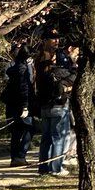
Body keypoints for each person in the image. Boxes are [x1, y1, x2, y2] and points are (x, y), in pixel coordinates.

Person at [34, 28, 75, 176]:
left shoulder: (41, 57)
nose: (56, 41)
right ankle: (56, 168)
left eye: (57, 38)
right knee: (58, 137)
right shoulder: (47, 57)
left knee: (46, 138)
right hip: (56, 101)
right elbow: (57, 75)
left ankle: (43, 168)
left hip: (45, 102)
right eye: (52, 38)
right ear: (45, 40)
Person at [3, 43, 36, 167]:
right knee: (30, 128)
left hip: (12, 104)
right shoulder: (23, 70)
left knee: (16, 132)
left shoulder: (14, 68)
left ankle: (14, 157)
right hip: (21, 104)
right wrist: (26, 106)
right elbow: (24, 88)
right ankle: (20, 155)